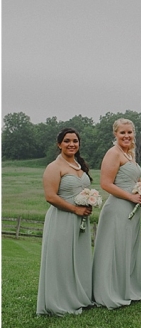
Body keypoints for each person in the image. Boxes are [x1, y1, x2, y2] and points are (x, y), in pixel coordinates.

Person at [37, 128, 94, 316]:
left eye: (75, 141)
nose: (72, 144)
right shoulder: (54, 167)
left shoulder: (80, 165)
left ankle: (78, 297)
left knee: (78, 259)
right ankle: (59, 301)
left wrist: (89, 202)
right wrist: (75, 209)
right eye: (67, 141)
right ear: (59, 144)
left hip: (80, 221)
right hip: (62, 218)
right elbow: (50, 197)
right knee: (61, 260)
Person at [92, 118, 141, 309]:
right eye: (122, 132)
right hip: (117, 208)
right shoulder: (113, 153)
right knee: (114, 249)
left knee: (127, 248)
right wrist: (131, 197)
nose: (126, 136)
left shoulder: (130, 154)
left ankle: (127, 288)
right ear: (115, 134)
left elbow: (135, 178)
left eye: (130, 132)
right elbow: (106, 183)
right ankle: (109, 291)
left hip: (132, 209)